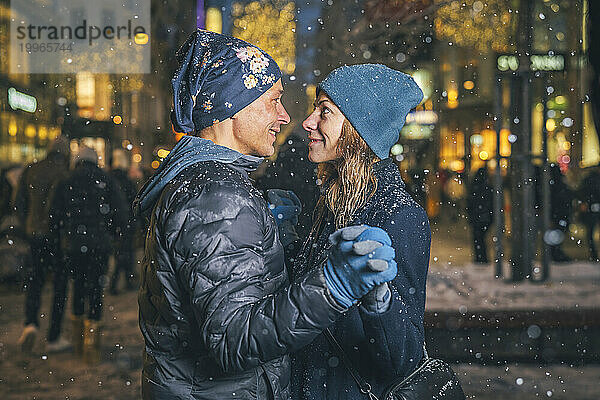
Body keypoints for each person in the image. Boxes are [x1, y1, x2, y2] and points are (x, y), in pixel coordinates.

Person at [134, 30, 397, 400]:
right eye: (273, 101)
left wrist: (272, 241)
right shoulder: (217, 196)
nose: (284, 115)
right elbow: (233, 341)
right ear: (232, 107)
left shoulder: (208, 183)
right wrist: (333, 287)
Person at [290, 64, 430, 399]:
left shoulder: (398, 215)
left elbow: (404, 357)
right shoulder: (334, 200)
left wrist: (378, 300)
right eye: (315, 109)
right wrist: (284, 242)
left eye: (325, 112)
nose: (309, 122)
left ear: (358, 129)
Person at [48, 146, 128, 363]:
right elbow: (121, 213)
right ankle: (92, 346)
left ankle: (77, 341)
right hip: (99, 245)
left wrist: (60, 239)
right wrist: (111, 233)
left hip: (73, 246)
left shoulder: (66, 181)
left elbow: (54, 217)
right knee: (96, 290)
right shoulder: (106, 181)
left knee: (78, 288)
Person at [15, 137, 71, 353]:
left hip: (34, 235)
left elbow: (18, 201)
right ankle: (54, 336)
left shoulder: (32, 169)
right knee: (60, 285)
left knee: (35, 280)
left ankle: (30, 324)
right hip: (57, 237)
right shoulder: (64, 173)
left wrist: (26, 224)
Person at [109, 149, 139, 294]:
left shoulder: (109, 179)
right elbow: (134, 202)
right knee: (126, 253)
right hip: (125, 223)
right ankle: (123, 281)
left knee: (120, 254)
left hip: (112, 223)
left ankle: (119, 281)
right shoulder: (126, 181)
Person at [466, 167, 493, 264]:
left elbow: (470, 203)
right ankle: (482, 257)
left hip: (477, 217)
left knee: (478, 239)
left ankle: (480, 257)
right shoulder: (488, 187)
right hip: (484, 217)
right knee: (481, 239)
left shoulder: (475, 187)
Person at [579, 167, 600, 261]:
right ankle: (593, 254)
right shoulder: (591, 179)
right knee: (591, 231)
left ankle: (593, 254)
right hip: (592, 207)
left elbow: (584, 192)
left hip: (592, 207)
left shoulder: (590, 178)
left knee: (590, 231)